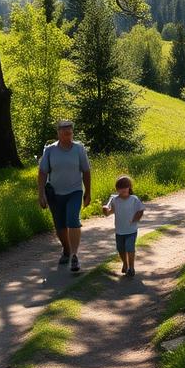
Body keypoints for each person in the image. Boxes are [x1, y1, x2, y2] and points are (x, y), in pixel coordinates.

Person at [38, 119, 91, 273]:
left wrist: (88, 192)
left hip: (75, 191)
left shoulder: (79, 149)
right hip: (55, 194)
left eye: (70, 133)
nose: (68, 136)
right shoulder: (50, 150)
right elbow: (42, 172)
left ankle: (74, 256)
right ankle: (67, 250)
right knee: (60, 225)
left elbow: (86, 171)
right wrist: (41, 194)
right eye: (64, 133)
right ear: (58, 134)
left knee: (73, 220)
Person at [102, 175, 145, 277]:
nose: (123, 189)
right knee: (120, 249)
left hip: (131, 230)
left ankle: (131, 268)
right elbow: (110, 212)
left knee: (130, 247)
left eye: (126, 186)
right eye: (120, 187)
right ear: (117, 189)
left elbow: (141, 210)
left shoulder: (134, 199)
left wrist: (135, 219)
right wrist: (105, 210)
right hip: (119, 231)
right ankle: (125, 264)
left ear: (129, 187)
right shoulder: (115, 200)